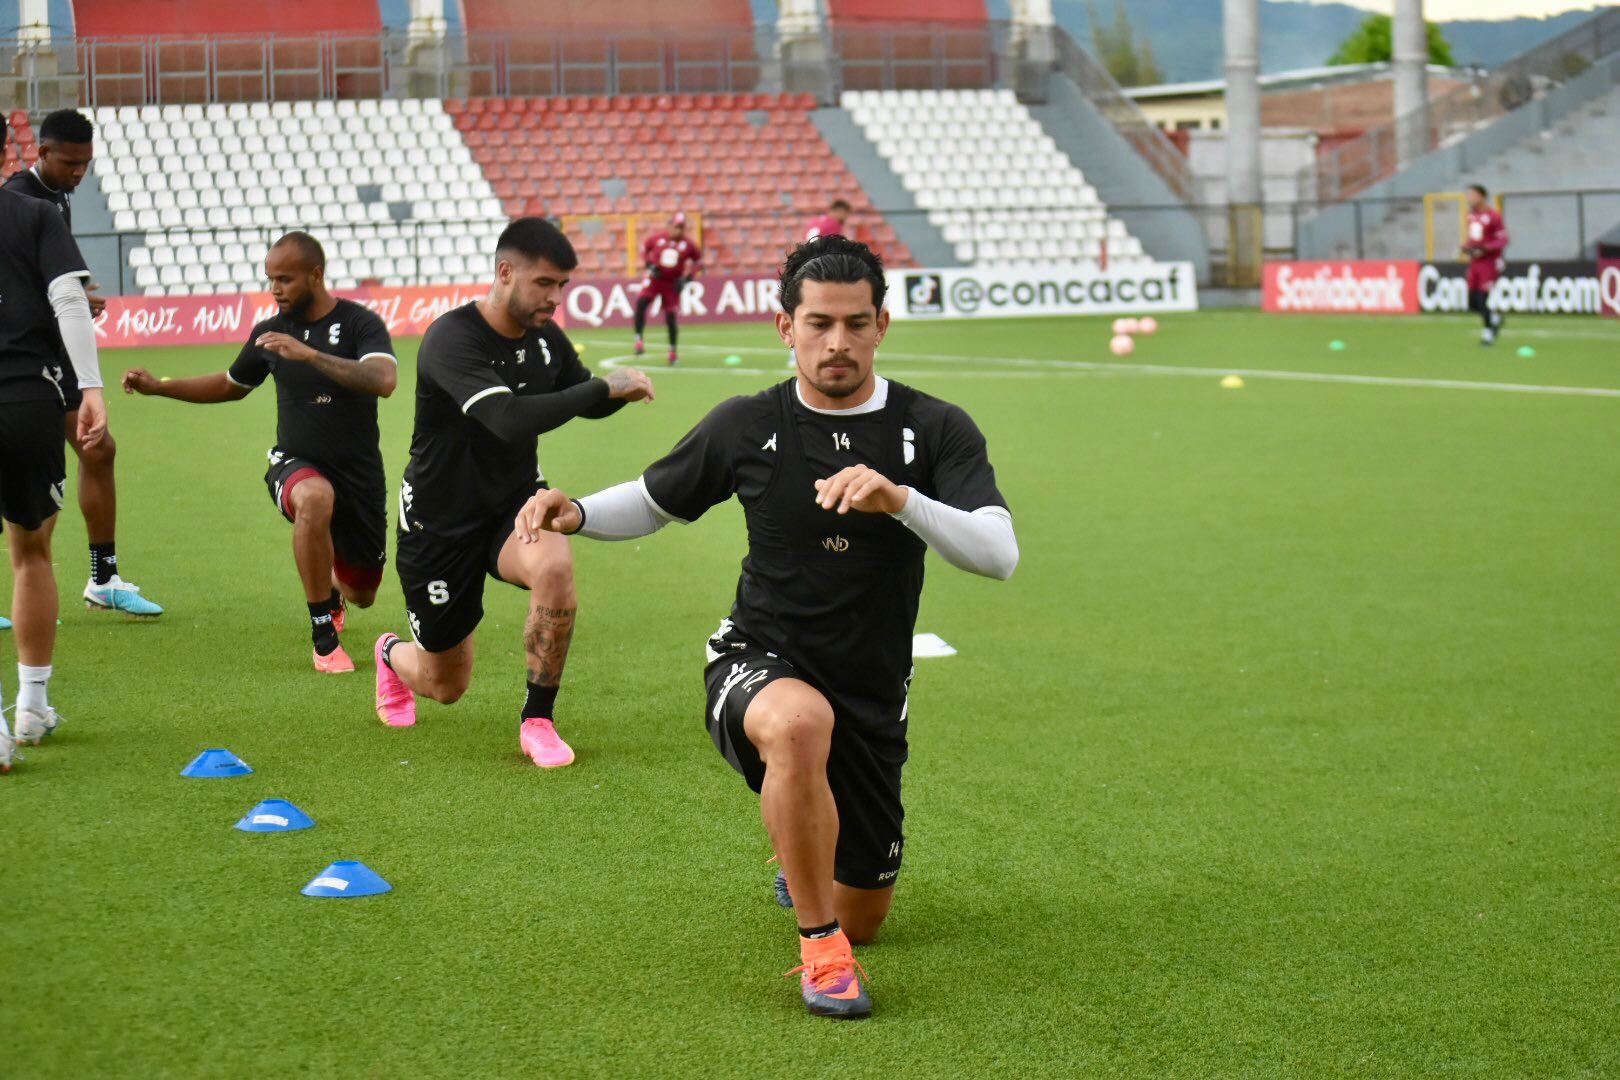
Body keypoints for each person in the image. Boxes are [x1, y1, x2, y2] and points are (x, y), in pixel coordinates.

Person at [512, 235, 1019, 1018]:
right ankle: (821, 952)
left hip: (873, 689)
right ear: (785, 327)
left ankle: (817, 876)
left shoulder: (934, 427)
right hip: (757, 661)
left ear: (883, 323)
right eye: (819, 323)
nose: (838, 343)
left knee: (870, 917)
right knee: (796, 723)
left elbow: (999, 554)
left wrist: (900, 500)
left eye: (856, 323)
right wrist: (574, 511)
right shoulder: (749, 424)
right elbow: (654, 500)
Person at [373, 217, 655, 767]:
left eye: (562, 287)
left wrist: (616, 391)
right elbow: (504, 417)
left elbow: (580, 395)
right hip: (440, 520)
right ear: (505, 272)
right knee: (446, 684)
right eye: (544, 284)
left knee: (555, 566)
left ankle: (538, 720)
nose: (555, 299)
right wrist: (601, 387)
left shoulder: (545, 338)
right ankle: (390, 655)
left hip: (515, 501)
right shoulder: (451, 338)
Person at [121, 233, 396, 672]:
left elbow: (383, 379)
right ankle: (323, 635)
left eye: (284, 279)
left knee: (363, 593)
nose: (275, 288)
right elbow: (230, 386)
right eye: (270, 279)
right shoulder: (270, 332)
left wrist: (311, 357)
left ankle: (333, 586)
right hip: (294, 464)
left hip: (360, 475)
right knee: (314, 498)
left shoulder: (361, 323)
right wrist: (161, 387)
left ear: (316, 275)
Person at [3, 108, 163, 617]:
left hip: (56, 359)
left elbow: (54, 284)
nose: (79, 172)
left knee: (98, 451)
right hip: (28, 364)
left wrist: (80, 293)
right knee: (28, 476)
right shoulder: (21, 197)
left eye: (85, 164)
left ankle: (102, 577)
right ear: (42, 152)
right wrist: (71, 298)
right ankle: (39, 584)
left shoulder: (56, 196)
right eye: (70, 162)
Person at [0, 113, 111, 771]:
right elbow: (70, 301)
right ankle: (31, 706)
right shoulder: (31, 216)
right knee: (30, 550)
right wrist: (90, 389)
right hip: (25, 396)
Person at [632, 212, 701, 365]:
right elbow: (644, 249)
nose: (679, 230)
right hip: (655, 279)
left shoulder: (688, 244)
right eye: (677, 226)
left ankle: (672, 352)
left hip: (671, 284)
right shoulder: (657, 238)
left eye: (682, 227)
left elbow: (698, 261)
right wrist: (649, 265)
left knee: (671, 316)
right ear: (670, 226)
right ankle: (638, 339)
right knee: (641, 302)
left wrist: (687, 278)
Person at [1461, 183, 1509, 346]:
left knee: (1482, 299)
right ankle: (1494, 317)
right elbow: (1474, 239)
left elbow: (1503, 239)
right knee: (1472, 303)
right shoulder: (1470, 216)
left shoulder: (1493, 216)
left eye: (1472, 195)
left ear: (1481, 196)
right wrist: (1466, 247)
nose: (1469, 198)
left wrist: (1486, 248)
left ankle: (1489, 331)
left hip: (1489, 263)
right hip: (1475, 263)